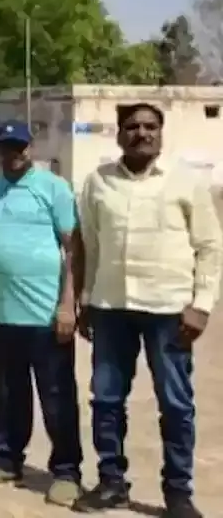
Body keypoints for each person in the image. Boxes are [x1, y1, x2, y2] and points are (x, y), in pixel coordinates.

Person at [74, 103, 220, 518]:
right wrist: (86, 298)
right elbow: (91, 244)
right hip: (111, 307)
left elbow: (210, 247)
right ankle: (111, 483)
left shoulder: (185, 181)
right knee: (106, 399)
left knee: (175, 403)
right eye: (133, 126)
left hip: (169, 311)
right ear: (119, 133)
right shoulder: (98, 181)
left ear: (161, 132)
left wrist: (201, 305)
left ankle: (178, 493)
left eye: (150, 126)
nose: (142, 133)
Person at [0, 120, 82, 504]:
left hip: (45, 315)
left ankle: (66, 471)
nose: (14, 154)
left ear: (30, 148)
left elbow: (73, 249)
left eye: (20, 146)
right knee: (6, 393)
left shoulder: (54, 188)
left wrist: (68, 304)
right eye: (6, 147)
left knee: (56, 395)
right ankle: (5, 459)